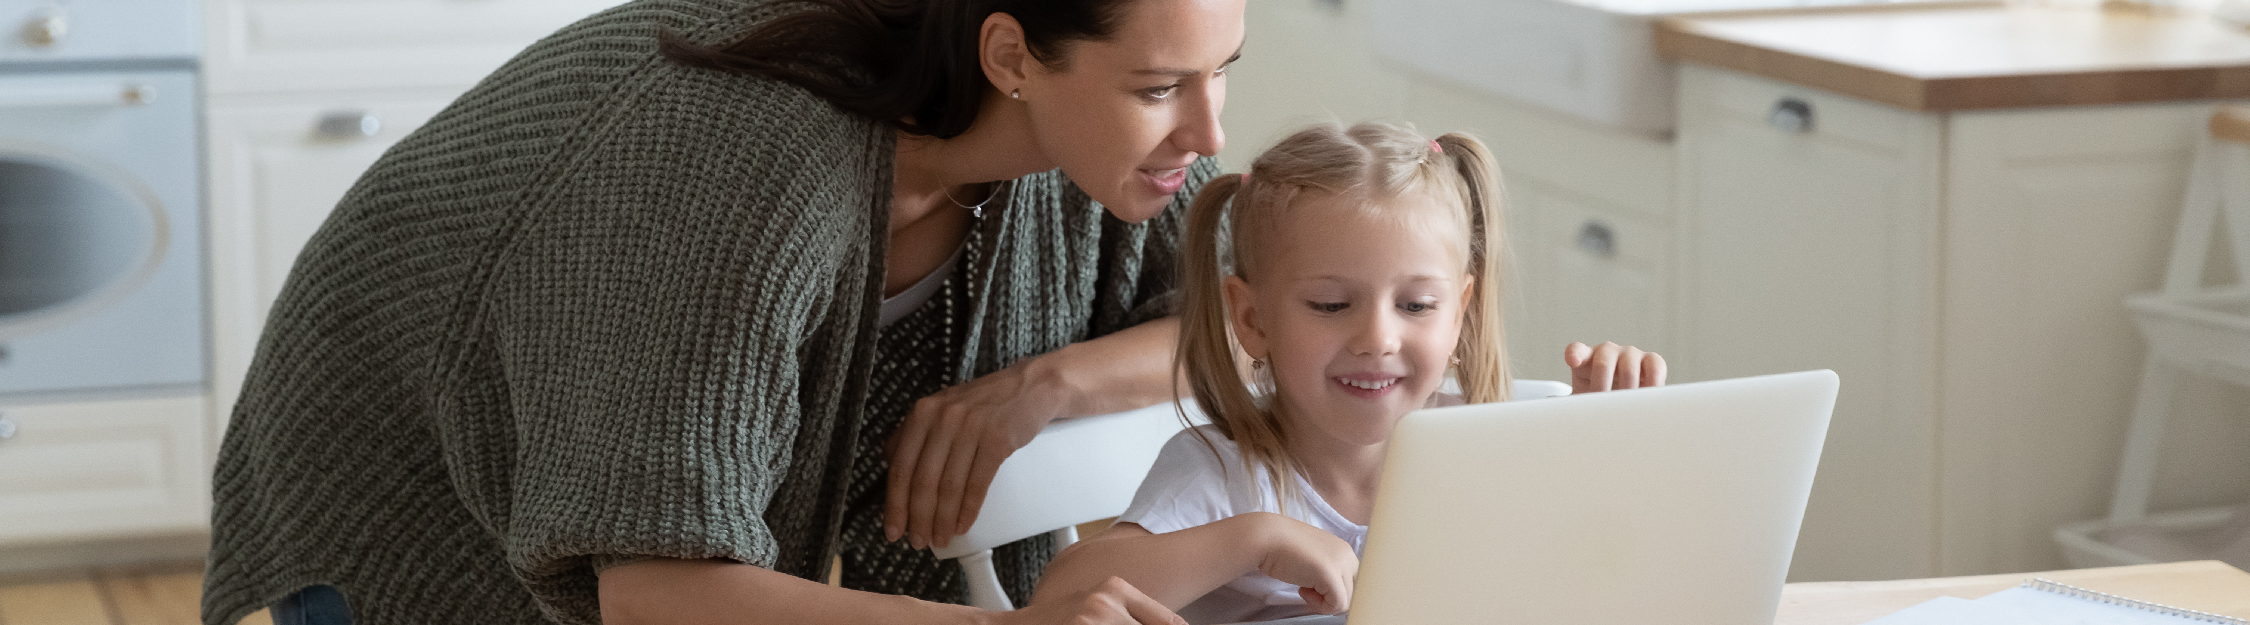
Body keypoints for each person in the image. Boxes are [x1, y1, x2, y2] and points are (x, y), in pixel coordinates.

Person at [200, 0, 1244, 623]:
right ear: (1012, 57)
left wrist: (1042, 385)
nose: (1206, 126)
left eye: (1221, 74)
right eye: (1159, 87)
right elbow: (658, 594)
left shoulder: (1109, 154)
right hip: (412, 511)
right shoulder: (739, 164)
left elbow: (1252, 315)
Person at [1028, 123, 1667, 624]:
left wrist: (1607, 446)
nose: (1377, 338)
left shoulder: (1491, 447)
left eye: (1417, 306)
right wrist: (1253, 540)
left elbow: (1606, 577)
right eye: (1331, 306)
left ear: (1460, 315)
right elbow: (1061, 599)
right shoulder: (1223, 473)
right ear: (1251, 319)